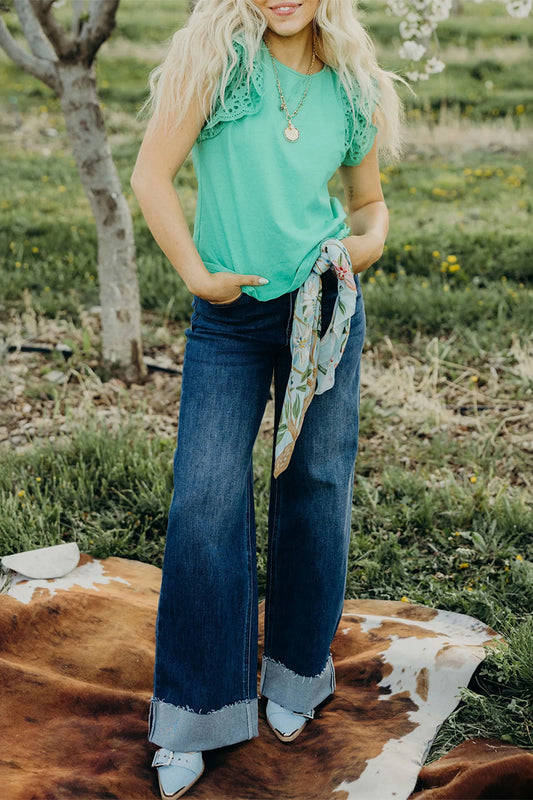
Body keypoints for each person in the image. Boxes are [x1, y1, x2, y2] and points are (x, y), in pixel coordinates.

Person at [131, 0, 405, 797]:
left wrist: (361, 246)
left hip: (324, 310)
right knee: (206, 498)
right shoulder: (216, 64)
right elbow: (150, 175)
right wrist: (197, 275)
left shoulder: (353, 87)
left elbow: (367, 205)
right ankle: (196, 709)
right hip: (229, 314)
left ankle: (295, 671)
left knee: (315, 486)